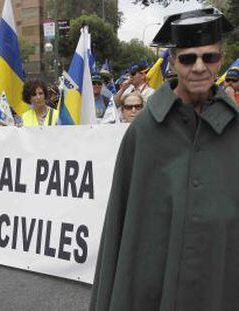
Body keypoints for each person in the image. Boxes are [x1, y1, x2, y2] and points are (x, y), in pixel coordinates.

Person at [90, 8, 238, 311]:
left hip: (219, 283)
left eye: (209, 57)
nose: (199, 67)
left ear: (220, 60)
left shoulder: (236, 129)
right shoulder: (145, 131)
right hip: (152, 286)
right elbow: (125, 222)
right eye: (188, 58)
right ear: (173, 62)